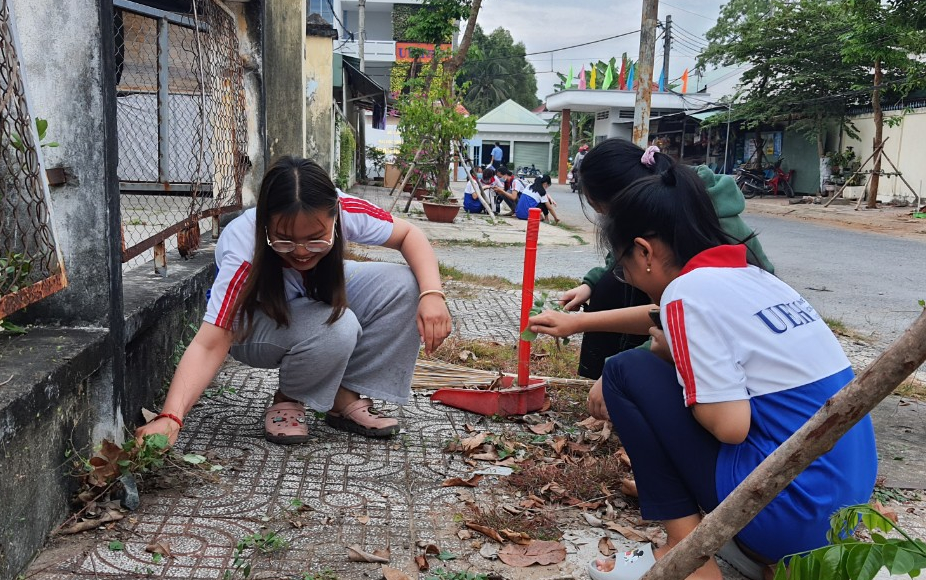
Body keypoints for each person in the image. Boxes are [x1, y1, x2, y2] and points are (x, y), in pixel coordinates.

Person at [586, 166, 877, 580]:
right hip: (836, 521)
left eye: (624, 268)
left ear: (643, 252)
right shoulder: (758, 279)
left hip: (791, 510)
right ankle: (770, 554)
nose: (631, 278)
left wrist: (670, 358)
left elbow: (731, 426)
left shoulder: (685, 294)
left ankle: (688, 562)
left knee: (627, 370)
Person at [136, 156, 452, 447]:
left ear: (334, 219)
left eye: (316, 240)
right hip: (252, 325)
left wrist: (433, 295)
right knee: (337, 327)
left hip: (310, 298)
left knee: (408, 286)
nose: (301, 252)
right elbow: (211, 342)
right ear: (264, 224)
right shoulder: (242, 249)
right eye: (284, 240)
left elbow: (409, 234)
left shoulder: (343, 209)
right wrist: (171, 417)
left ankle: (343, 396)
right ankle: (288, 398)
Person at [528, 139, 774, 381]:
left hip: (745, 342)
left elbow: (677, 316)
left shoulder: (699, 250)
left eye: (599, 208)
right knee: (610, 285)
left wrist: (621, 372)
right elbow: (667, 311)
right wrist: (590, 286)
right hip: (724, 324)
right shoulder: (662, 209)